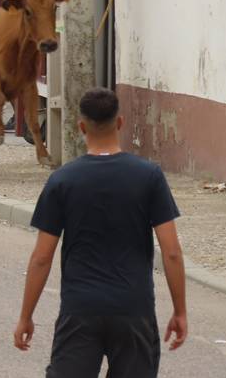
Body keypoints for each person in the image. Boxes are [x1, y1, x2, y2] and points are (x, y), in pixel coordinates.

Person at [13, 88, 187, 377]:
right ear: (120, 123)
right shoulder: (149, 176)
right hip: (134, 307)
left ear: (81, 127)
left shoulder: (63, 180)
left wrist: (25, 316)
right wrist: (180, 311)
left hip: (81, 308)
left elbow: (42, 257)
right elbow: (171, 251)